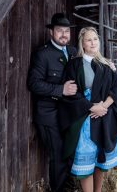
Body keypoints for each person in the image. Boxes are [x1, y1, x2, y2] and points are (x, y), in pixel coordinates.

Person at [58, 27, 117, 192]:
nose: (93, 43)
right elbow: (72, 93)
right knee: (86, 161)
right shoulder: (74, 65)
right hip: (84, 118)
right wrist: (91, 107)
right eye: (89, 39)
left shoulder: (106, 65)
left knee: (100, 161)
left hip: (104, 117)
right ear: (83, 43)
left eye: (95, 39)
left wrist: (103, 106)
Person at [27, 13, 78, 192]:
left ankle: (68, 186)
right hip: (49, 113)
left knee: (70, 150)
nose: (64, 34)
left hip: (67, 113)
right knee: (58, 155)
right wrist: (60, 90)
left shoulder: (73, 52)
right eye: (59, 31)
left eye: (66, 31)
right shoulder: (43, 54)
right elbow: (34, 83)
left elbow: (89, 65)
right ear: (51, 32)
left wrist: (107, 64)